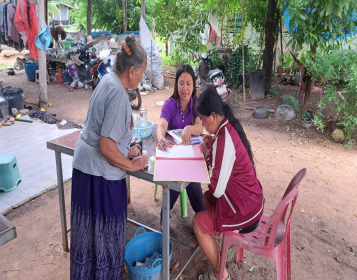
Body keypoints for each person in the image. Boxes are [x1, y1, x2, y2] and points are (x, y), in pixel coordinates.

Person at [70, 35, 148, 280]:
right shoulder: (118, 95)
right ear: (132, 70)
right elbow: (105, 146)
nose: (143, 78)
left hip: (86, 171)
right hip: (100, 177)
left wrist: (125, 149)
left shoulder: (108, 81)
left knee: (90, 240)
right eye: (142, 73)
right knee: (104, 240)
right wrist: (131, 165)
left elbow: (107, 136)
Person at [193, 89, 265, 280]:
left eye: (203, 119)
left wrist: (207, 156)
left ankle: (220, 273)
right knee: (205, 199)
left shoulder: (224, 140)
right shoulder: (227, 127)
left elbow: (217, 190)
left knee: (198, 223)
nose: (202, 124)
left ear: (214, 116)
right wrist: (213, 148)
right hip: (252, 203)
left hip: (245, 214)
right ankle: (225, 247)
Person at [156, 64, 205, 217]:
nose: (185, 88)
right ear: (176, 84)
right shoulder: (169, 104)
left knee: (190, 177)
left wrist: (188, 129)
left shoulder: (197, 102)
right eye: (181, 83)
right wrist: (160, 138)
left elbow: (200, 127)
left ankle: (200, 215)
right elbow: (162, 124)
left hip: (190, 155)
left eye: (188, 84)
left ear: (193, 85)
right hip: (173, 154)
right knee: (179, 177)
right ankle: (166, 214)